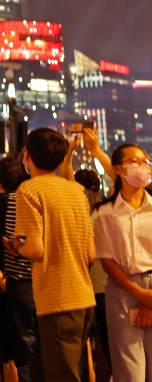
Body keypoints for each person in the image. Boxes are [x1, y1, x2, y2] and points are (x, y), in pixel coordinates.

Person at [14, 127, 97, 382]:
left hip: (57, 299)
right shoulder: (77, 192)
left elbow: (35, 248)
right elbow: (90, 254)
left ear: (27, 156)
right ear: (62, 158)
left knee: (62, 376)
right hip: (84, 297)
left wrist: (16, 244)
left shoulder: (29, 190)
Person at [93, 142, 152, 382]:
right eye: (134, 161)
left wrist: (149, 300)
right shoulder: (104, 213)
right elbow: (107, 261)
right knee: (129, 370)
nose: (142, 166)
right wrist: (141, 294)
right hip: (122, 290)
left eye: (146, 161)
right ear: (117, 169)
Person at [0, 155, 40, 382]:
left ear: (0, 182)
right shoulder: (36, 196)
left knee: (23, 342)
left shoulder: (4, 201)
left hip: (17, 281)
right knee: (43, 340)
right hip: (42, 277)